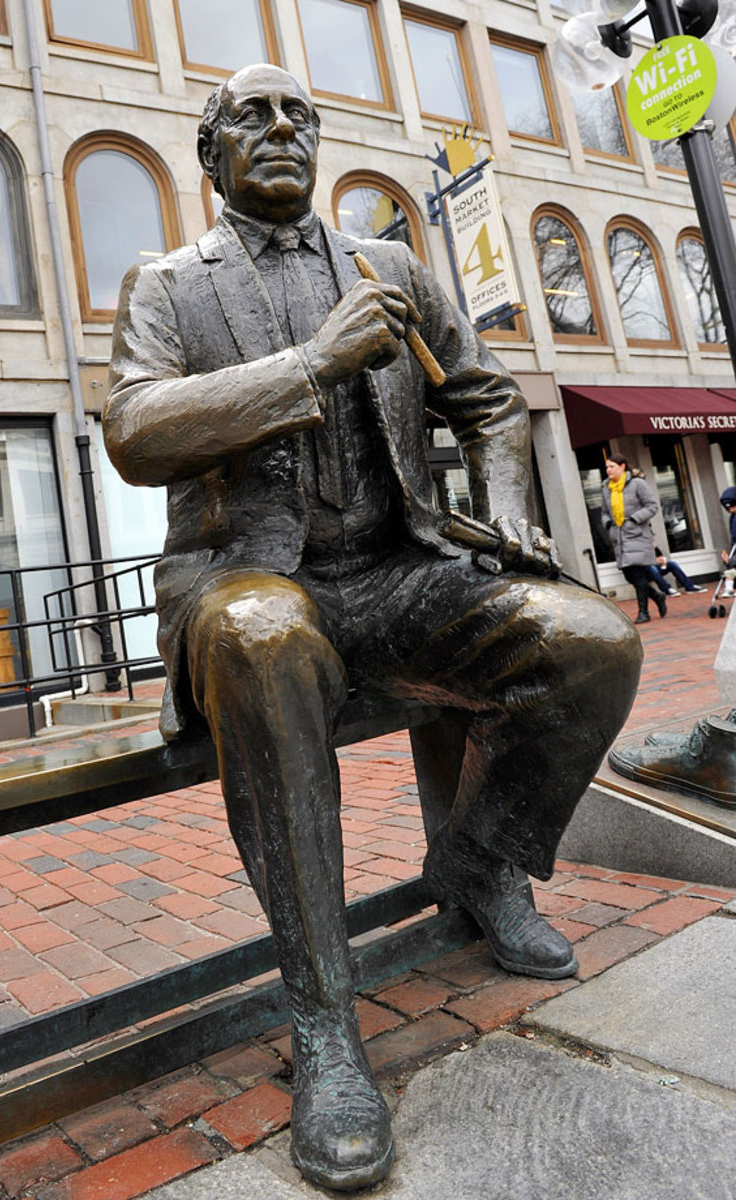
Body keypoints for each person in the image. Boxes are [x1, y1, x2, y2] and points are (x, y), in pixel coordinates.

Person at [105, 65, 642, 1192]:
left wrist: (499, 509)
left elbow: (487, 397)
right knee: (263, 637)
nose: (283, 130)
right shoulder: (166, 285)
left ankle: (482, 859)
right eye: (252, 116)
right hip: (250, 581)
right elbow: (137, 429)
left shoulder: (390, 265)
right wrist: (313, 361)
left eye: (299, 114)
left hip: (399, 574)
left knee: (590, 640)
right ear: (211, 156)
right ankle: (324, 1022)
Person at [601, 457, 667, 624]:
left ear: (622, 466)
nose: (608, 470)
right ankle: (657, 596)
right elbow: (604, 512)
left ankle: (643, 612)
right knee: (629, 576)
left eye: (612, 466)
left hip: (637, 535)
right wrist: (608, 523)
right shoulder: (606, 488)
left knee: (637, 575)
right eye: (607, 467)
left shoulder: (637, 484)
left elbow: (652, 506)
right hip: (619, 538)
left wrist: (634, 519)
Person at [720, 485, 736, 596]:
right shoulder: (733, 517)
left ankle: (729, 588)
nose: (731, 510)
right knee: (731, 569)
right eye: (729, 508)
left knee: (732, 566)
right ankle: (729, 589)